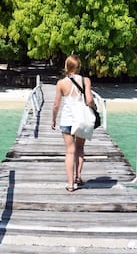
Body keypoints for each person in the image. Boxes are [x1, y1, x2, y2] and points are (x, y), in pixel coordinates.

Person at [52, 55, 96, 192]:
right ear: (79, 67)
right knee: (80, 148)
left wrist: (53, 119)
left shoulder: (61, 83)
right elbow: (89, 100)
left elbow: (56, 105)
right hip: (81, 119)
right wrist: (94, 107)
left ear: (66, 67)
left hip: (67, 120)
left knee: (69, 152)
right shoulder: (85, 80)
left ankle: (70, 184)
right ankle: (78, 176)